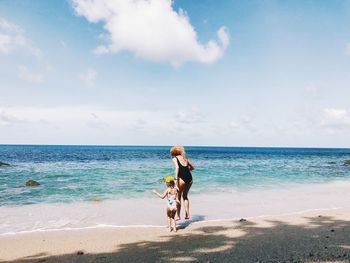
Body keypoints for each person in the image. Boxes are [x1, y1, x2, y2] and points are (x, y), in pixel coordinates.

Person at [170, 145, 194, 221]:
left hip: (181, 179)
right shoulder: (185, 158)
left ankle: (178, 216)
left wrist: (175, 179)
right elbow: (192, 167)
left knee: (178, 197)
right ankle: (187, 214)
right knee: (185, 196)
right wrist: (186, 171)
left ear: (173, 152)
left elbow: (177, 168)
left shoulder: (175, 158)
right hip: (190, 178)